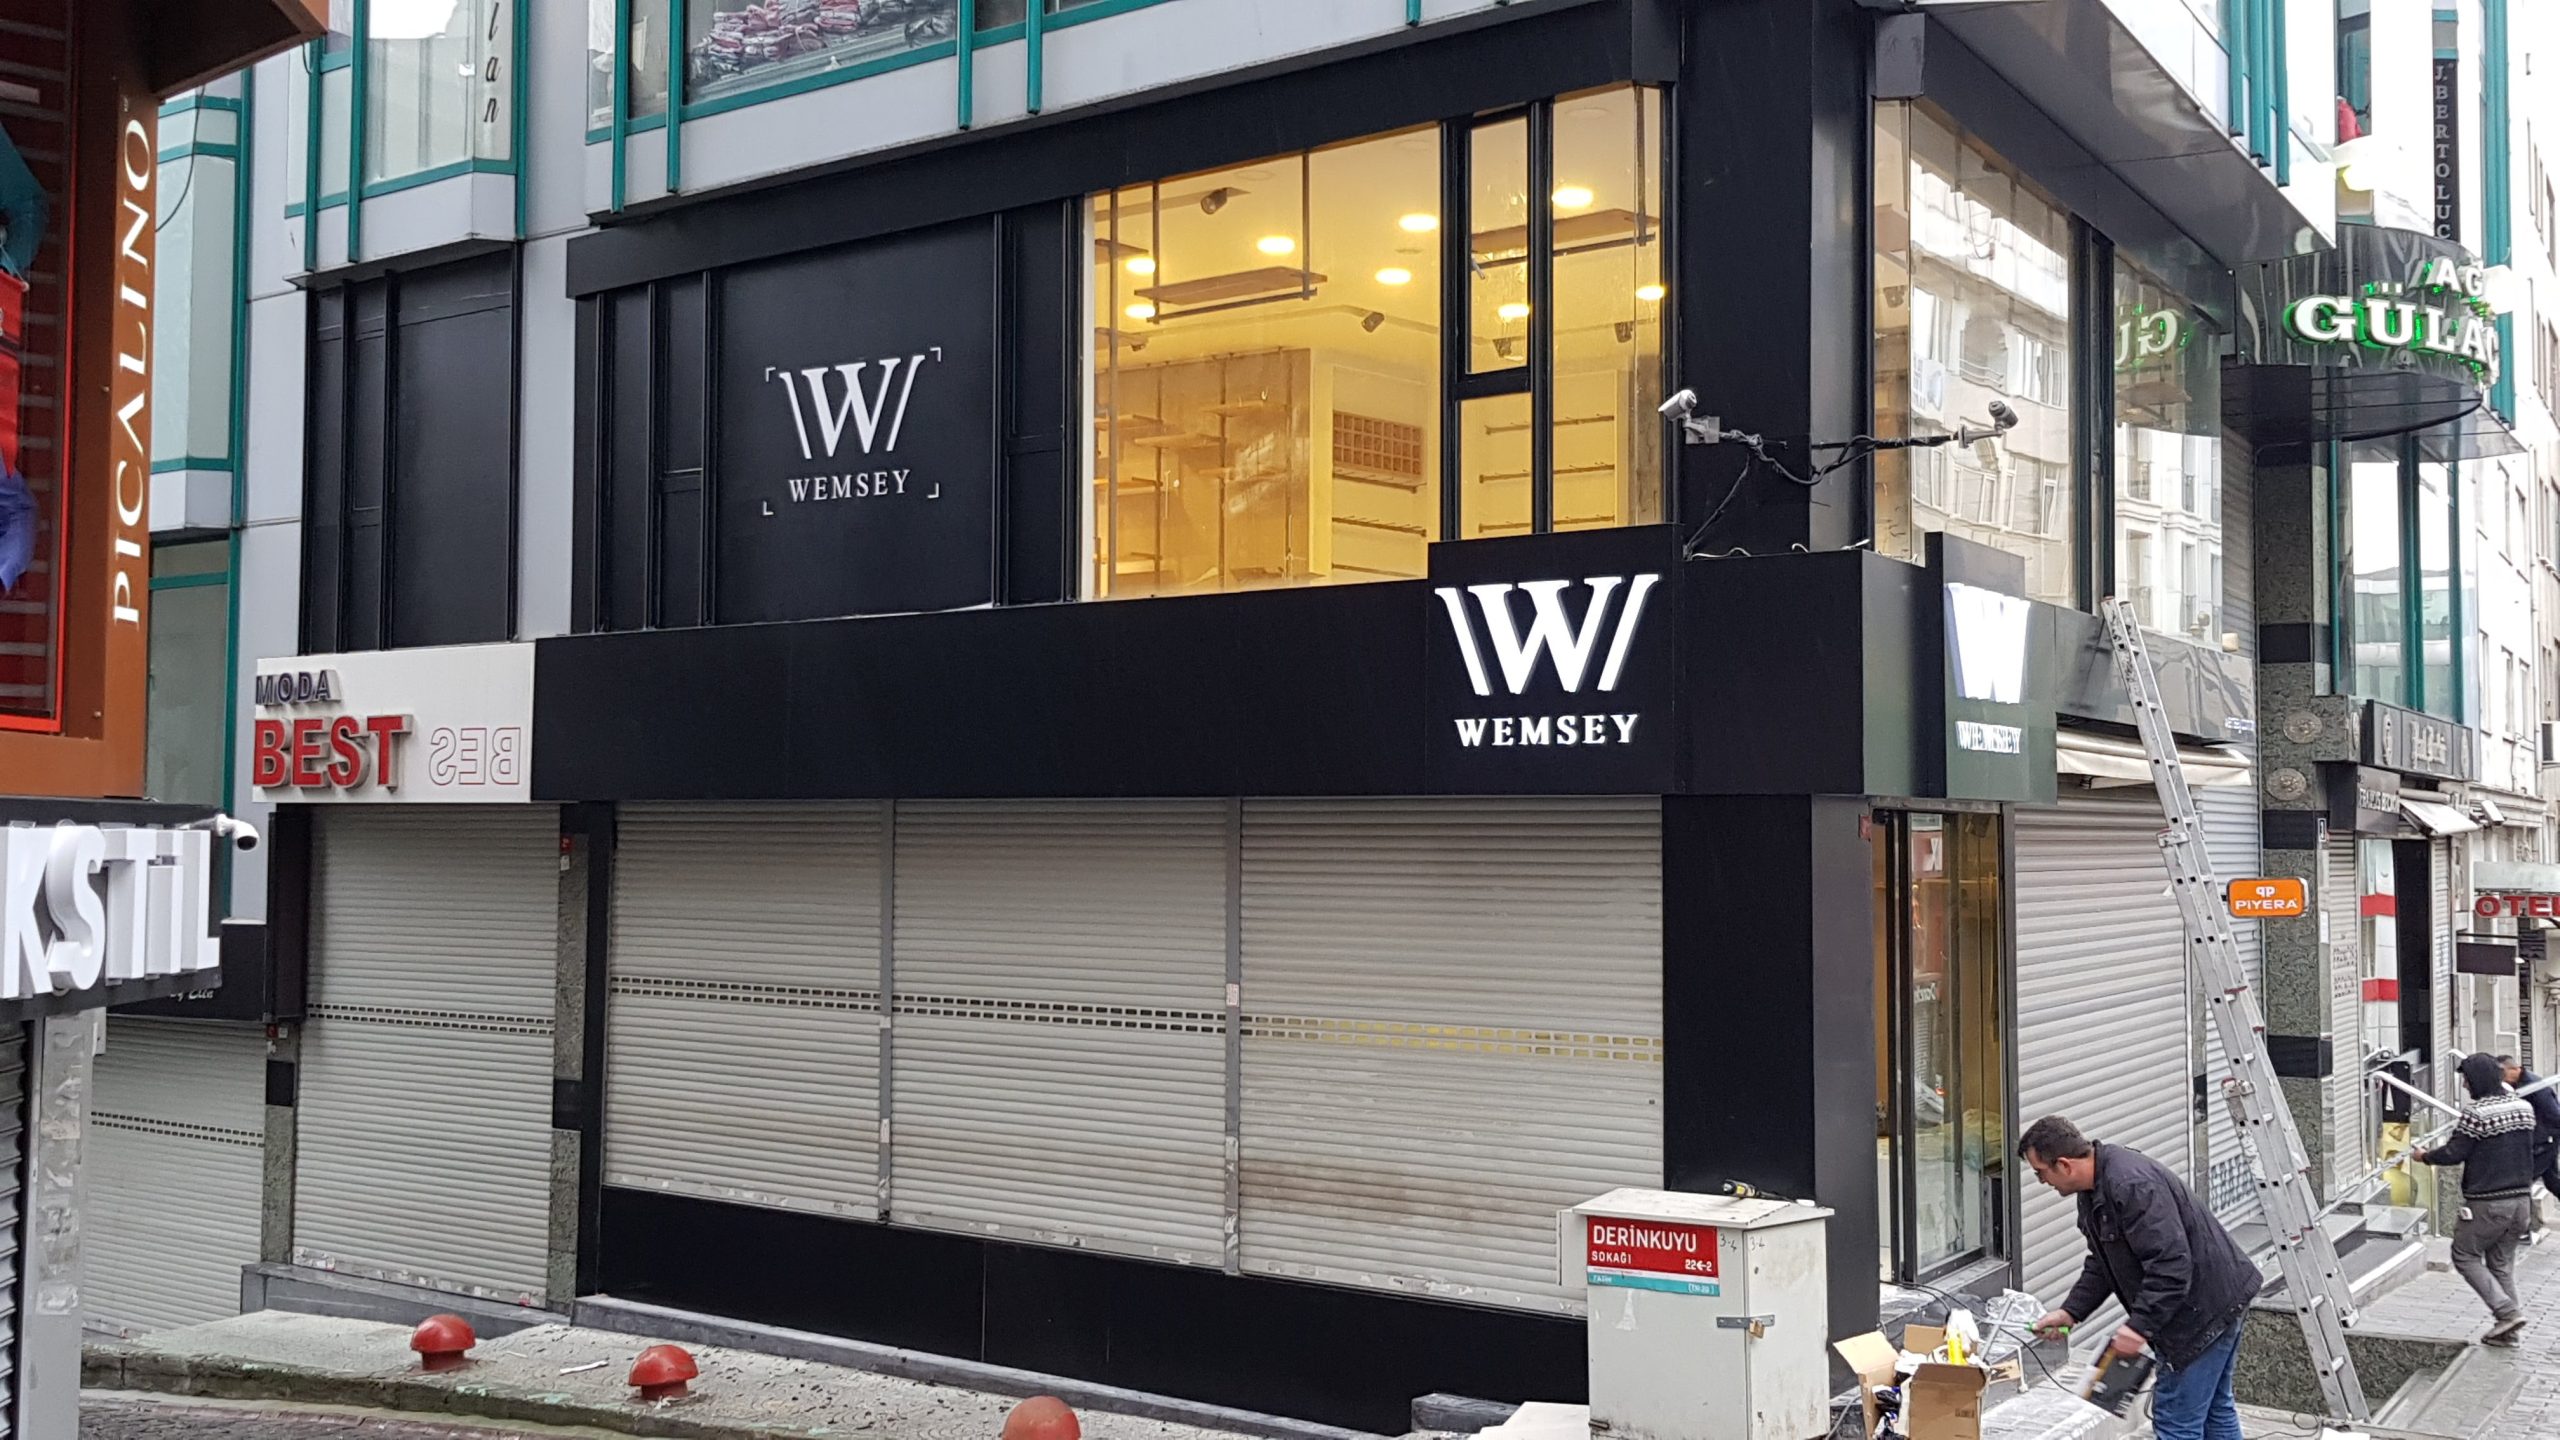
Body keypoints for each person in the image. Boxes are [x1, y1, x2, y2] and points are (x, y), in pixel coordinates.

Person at [2019, 1115, 2261, 1440]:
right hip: (2214, 1297)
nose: (2041, 1182)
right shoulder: (2094, 1190)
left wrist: (2138, 1327)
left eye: (2040, 1172)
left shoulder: (2130, 1185)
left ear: (2063, 1164)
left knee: (2177, 1422)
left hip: (2201, 1312)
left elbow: (2171, 1265)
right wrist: (2071, 1311)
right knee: (2214, 1409)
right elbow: (2102, 1261)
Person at [2417, 1053, 2541, 1345]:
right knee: (2501, 1264)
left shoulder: (2477, 1113)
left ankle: (2507, 1312)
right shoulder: (2524, 1107)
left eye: (2466, 1079)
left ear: (2477, 1080)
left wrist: (2424, 1156)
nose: (2464, 1085)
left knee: (2464, 1254)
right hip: (2521, 1201)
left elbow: (2455, 1152)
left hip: (2488, 1202)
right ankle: (2508, 1331)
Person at [2496, 1054, 2560, 1217]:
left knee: (2522, 1182)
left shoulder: (2533, 1086)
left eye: (2502, 1072)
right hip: (2541, 1140)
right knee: (2552, 1180)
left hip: (2544, 1141)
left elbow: (2554, 1114)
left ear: (2514, 1069)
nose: (2500, 1077)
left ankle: (2520, 1222)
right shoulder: (2518, 1085)